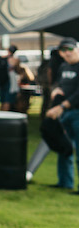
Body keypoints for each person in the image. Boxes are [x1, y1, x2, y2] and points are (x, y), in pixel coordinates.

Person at [43, 37, 79, 192]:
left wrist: (62, 106)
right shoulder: (64, 67)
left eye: (70, 49)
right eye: (63, 50)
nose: (67, 53)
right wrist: (55, 90)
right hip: (64, 113)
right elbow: (57, 83)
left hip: (76, 112)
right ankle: (65, 182)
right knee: (64, 148)